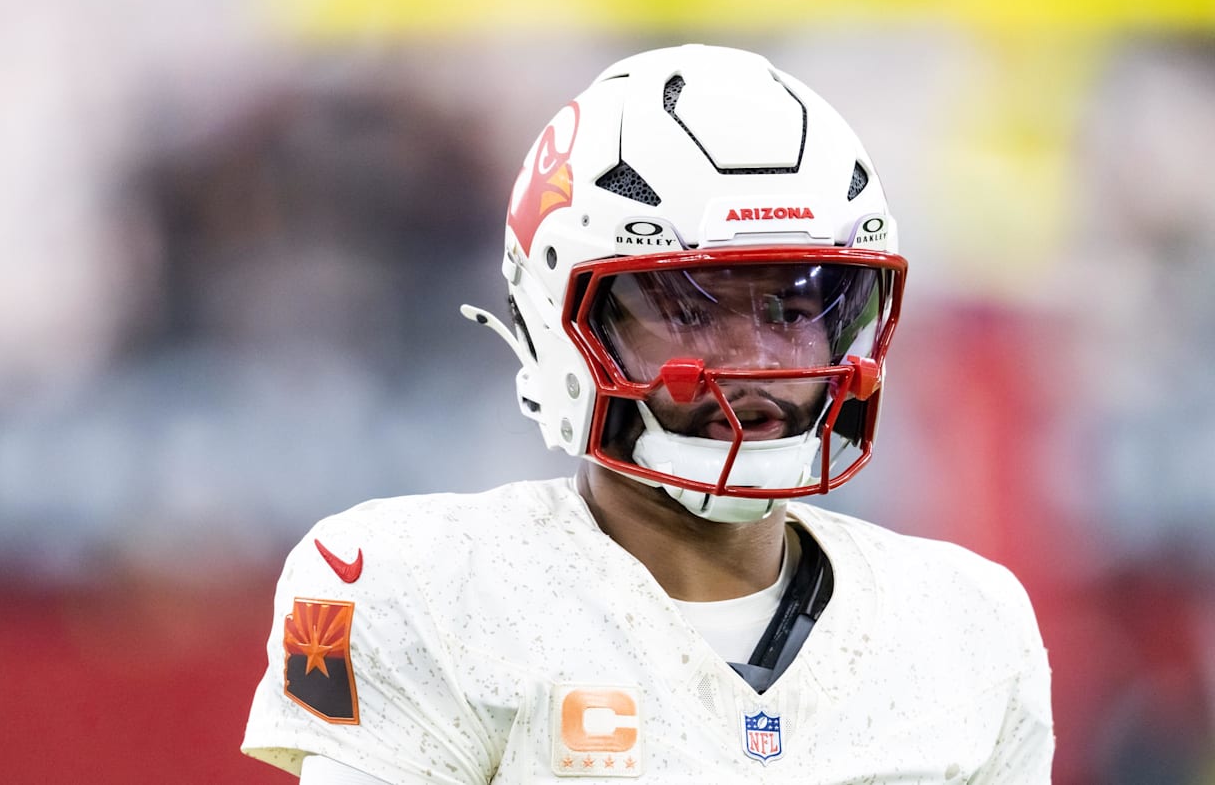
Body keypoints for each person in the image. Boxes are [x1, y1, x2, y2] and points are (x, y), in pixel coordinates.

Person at [242, 43, 1053, 784]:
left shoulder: (967, 628)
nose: (756, 365)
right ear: (563, 320)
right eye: (691, 312)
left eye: (786, 307)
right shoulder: (424, 593)